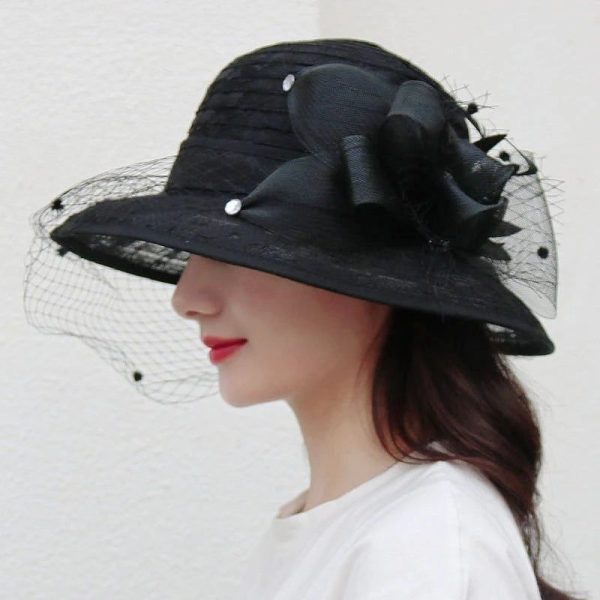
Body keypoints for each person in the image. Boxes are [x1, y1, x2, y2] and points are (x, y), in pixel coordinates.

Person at [23, 38, 586, 599]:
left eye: (238, 250)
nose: (188, 298)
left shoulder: (424, 546)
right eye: (197, 249)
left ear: (380, 279)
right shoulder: (350, 525)